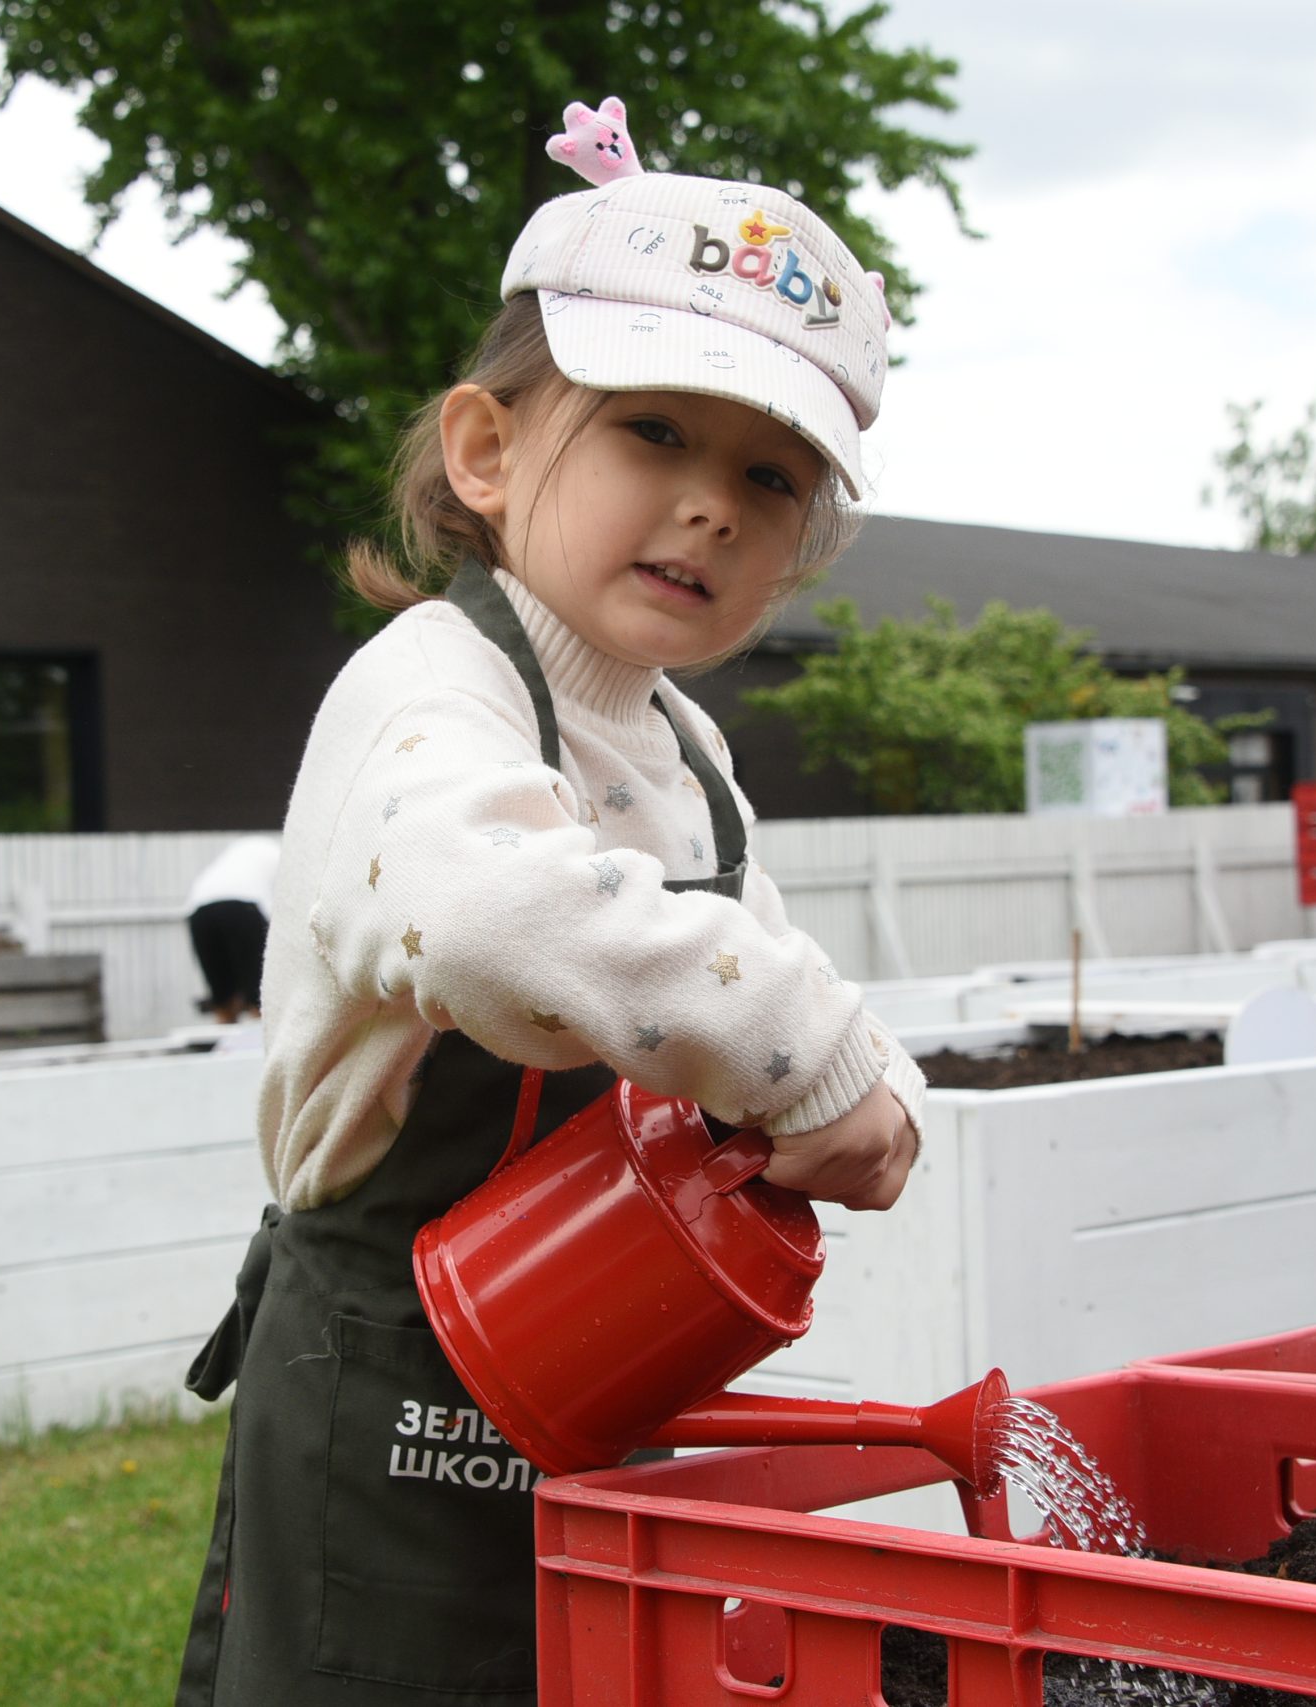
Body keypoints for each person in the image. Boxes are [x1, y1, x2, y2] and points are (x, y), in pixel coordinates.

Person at [174, 99, 924, 1706]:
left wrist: (879, 1090)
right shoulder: (429, 690)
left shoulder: (685, 748)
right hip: (388, 1367)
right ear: (490, 450)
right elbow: (495, 924)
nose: (715, 500)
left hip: (591, 1348)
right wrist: (813, 1050)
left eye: (773, 474)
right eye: (655, 431)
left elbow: (767, 969)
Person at [186, 834, 280, 1024]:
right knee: (261, 994)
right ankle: (261, 1039)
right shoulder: (281, 854)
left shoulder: (242, 851)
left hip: (198, 908)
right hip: (243, 904)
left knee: (223, 997)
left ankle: (224, 1024)